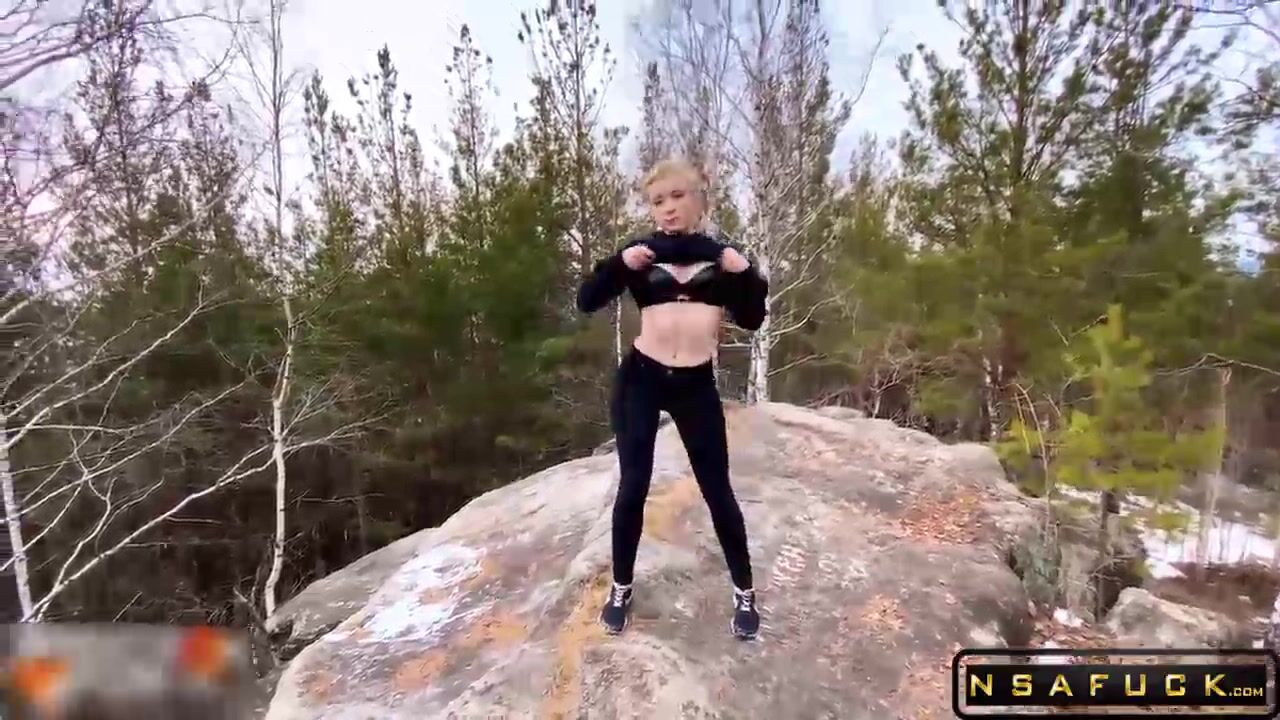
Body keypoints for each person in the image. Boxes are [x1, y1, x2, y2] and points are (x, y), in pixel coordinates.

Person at [575, 157, 768, 640]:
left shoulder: (722, 259)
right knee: (633, 486)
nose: (668, 208)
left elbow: (752, 318)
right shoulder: (641, 254)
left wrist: (746, 274)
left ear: (699, 200)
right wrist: (618, 265)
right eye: (658, 201)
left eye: (678, 196)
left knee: (717, 490)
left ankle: (744, 591)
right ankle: (621, 587)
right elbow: (587, 300)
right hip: (641, 380)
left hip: (695, 385)